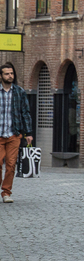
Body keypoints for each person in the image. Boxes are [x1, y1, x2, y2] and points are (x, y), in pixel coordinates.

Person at [0, 63, 33, 203]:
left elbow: (25, 113)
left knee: (11, 164)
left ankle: (6, 192)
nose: (10, 76)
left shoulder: (19, 92)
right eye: (7, 74)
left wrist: (29, 133)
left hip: (14, 134)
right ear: (1, 76)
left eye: (12, 73)